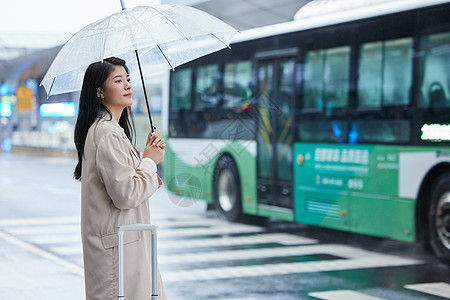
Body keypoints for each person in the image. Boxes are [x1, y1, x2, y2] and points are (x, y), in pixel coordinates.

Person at [73, 57, 167, 300]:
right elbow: (126, 194)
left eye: (128, 79)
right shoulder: (106, 133)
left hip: (127, 249)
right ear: (99, 91)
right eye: (118, 80)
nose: (128, 85)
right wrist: (149, 161)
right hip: (119, 256)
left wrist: (146, 156)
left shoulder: (111, 131)